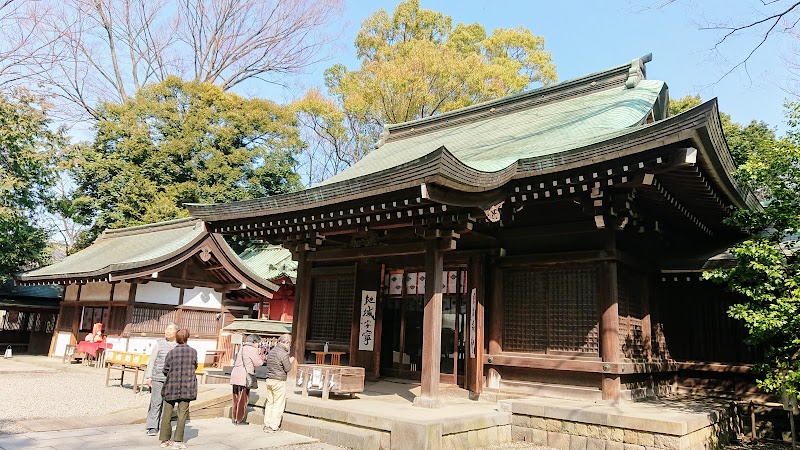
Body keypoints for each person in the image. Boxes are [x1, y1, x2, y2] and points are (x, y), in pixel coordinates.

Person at [159, 329, 198, 449]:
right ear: (187, 338)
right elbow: (195, 366)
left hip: (171, 386)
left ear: (176, 339)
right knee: (182, 414)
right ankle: (178, 441)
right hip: (187, 386)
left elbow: (165, 369)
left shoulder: (171, 353)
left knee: (167, 413)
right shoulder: (193, 352)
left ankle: (165, 440)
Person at [144, 323, 178, 436]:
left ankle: (164, 425)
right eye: (167, 329)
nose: (167, 331)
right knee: (156, 402)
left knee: (167, 403)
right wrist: (149, 376)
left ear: (176, 332)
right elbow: (152, 361)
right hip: (157, 377)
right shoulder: (159, 343)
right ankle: (152, 426)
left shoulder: (179, 345)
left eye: (170, 329)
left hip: (171, 379)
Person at [263, 333, 294, 433]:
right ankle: (273, 426)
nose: (289, 346)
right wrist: (290, 361)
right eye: (289, 343)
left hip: (269, 378)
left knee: (270, 402)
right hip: (278, 380)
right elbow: (287, 368)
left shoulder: (272, 351)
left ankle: (267, 424)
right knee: (278, 403)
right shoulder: (283, 353)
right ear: (287, 342)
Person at [229, 334, 264, 424]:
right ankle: (239, 419)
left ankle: (234, 417)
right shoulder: (252, 349)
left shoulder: (242, 348)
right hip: (244, 376)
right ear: (254, 342)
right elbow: (258, 363)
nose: (258, 345)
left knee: (236, 398)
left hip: (235, 374)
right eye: (258, 343)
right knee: (243, 399)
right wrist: (261, 355)